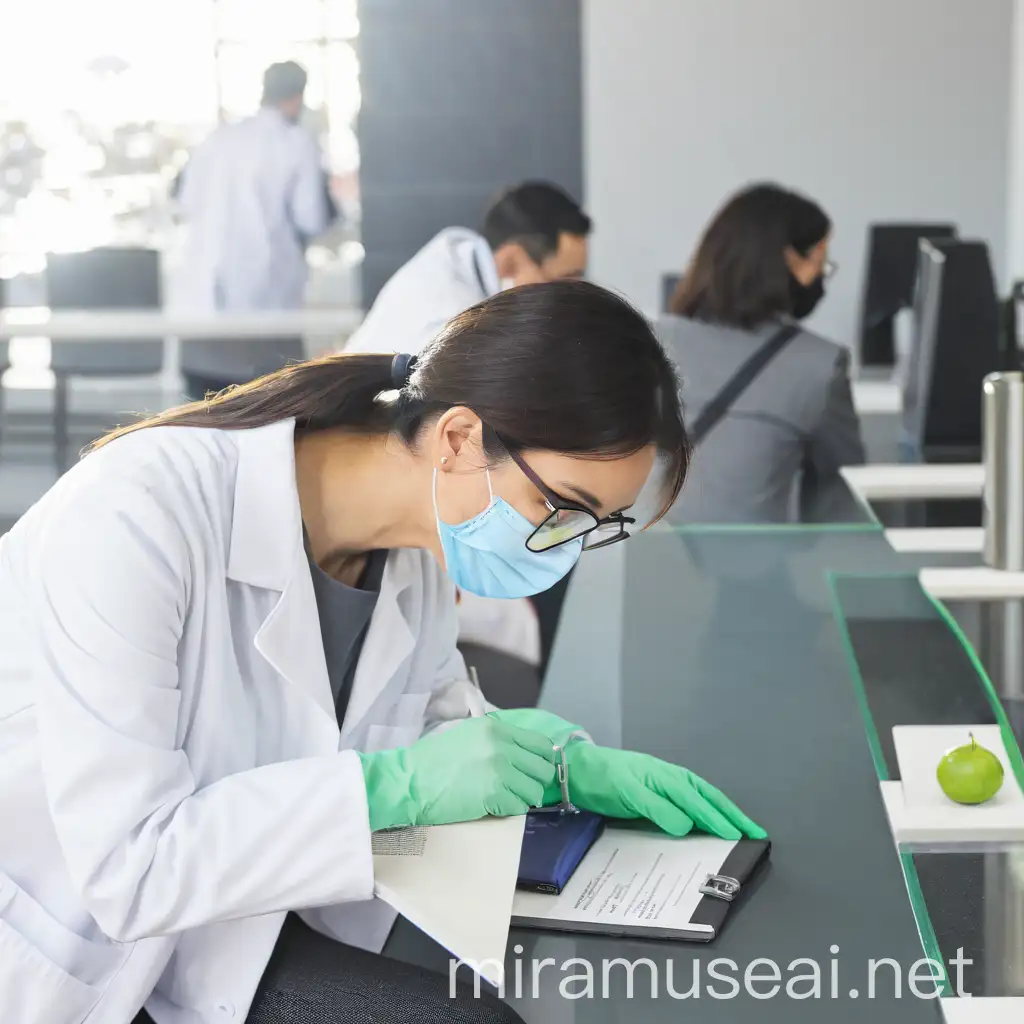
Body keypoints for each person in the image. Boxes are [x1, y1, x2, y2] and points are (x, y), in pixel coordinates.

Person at [0, 280, 765, 1024]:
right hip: (81, 944)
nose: (566, 545)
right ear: (459, 439)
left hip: (242, 916)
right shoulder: (136, 515)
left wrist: (561, 766)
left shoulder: (416, 552)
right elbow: (131, 868)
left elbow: (431, 729)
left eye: (597, 525)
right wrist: (388, 787)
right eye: (563, 509)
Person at [662, 183, 865, 523]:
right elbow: (844, 498)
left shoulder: (647, 342)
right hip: (751, 572)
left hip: (641, 562)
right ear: (789, 259)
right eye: (821, 263)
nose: (820, 277)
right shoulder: (819, 366)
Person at [172, 61, 339, 400]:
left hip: (203, 308)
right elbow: (312, 219)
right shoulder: (296, 143)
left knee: (203, 419)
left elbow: (184, 203)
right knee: (265, 415)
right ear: (296, 98)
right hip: (264, 309)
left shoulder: (219, 138)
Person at [345, 181, 591, 358]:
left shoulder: (459, 252)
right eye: (563, 279)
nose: (572, 293)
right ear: (510, 262)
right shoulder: (453, 324)